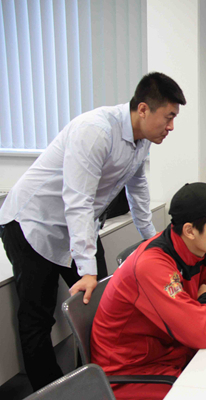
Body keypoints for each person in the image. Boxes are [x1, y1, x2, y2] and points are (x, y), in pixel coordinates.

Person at [0, 72, 186, 390]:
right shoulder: (96, 131)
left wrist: (152, 240)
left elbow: (138, 189)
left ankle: (96, 383)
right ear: (143, 109)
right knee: (37, 318)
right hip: (33, 224)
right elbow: (78, 201)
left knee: (100, 308)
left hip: (78, 226)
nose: (171, 127)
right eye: (168, 117)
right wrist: (86, 269)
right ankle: (52, 393)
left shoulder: (141, 140)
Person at [91, 182, 206, 400]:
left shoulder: (203, 250)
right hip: (131, 374)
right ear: (190, 231)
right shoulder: (152, 265)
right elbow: (201, 333)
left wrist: (203, 314)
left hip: (174, 353)